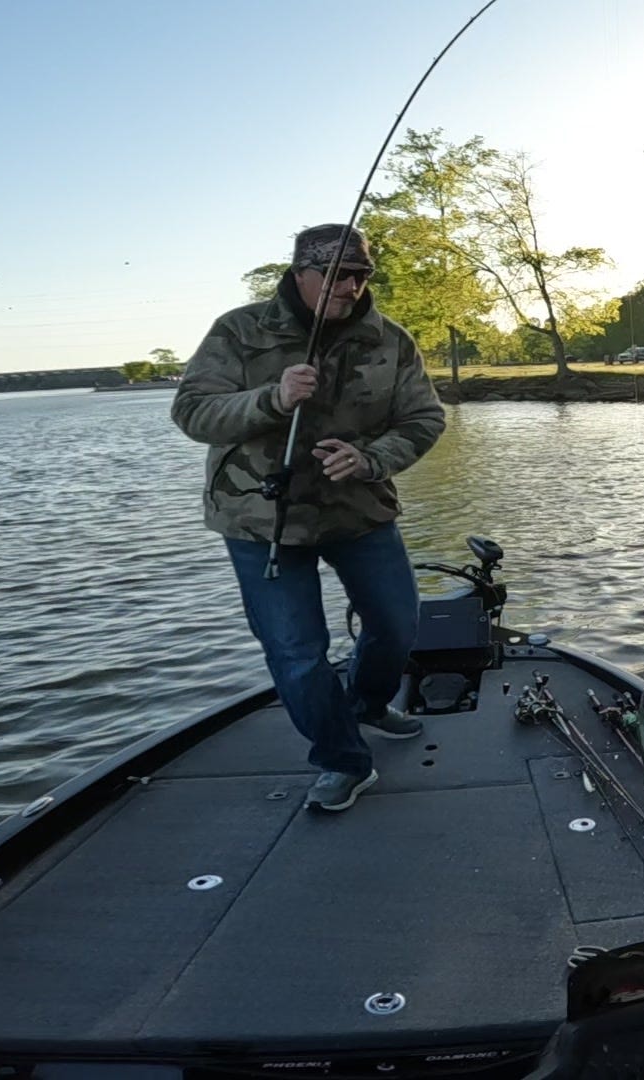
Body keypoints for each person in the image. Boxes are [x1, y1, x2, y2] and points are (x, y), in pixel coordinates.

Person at [171, 224, 445, 812]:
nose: (352, 286)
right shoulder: (238, 331)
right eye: (338, 275)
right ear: (302, 274)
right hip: (260, 518)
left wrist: (372, 459)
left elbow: (424, 420)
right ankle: (343, 760)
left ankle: (367, 704)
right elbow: (191, 412)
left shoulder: (391, 340)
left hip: (359, 508)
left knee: (398, 625)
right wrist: (270, 398)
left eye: (362, 274)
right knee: (295, 651)